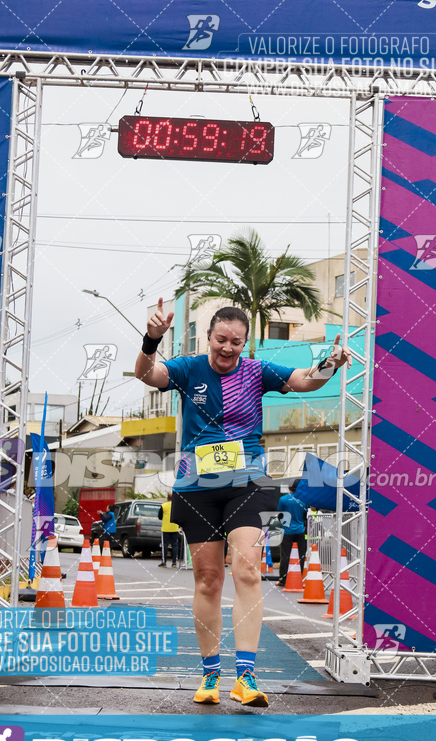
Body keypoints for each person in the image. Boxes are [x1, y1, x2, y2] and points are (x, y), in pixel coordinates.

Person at [135, 299, 351, 708]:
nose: (227, 348)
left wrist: (331, 362)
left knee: (248, 567)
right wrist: (152, 339)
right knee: (208, 579)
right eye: (221, 340)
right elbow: (147, 374)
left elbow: (306, 380)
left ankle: (246, 677)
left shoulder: (257, 371)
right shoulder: (187, 367)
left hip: (249, 482)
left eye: (236, 341)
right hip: (197, 486)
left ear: (245, 343)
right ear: (208, 338)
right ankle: (210, 674)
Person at [277, 481, 308, 586]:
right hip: (300, 530)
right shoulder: (304, 499)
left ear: (289, 487)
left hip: (287, 530)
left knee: (285, 555)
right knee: (301, 555)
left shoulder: (283, 499)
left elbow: (280, 515)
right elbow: (305, 515)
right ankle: (301, 578)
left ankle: (283, 579)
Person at [158, 493, 181, 567]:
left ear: (167, 498)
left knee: (165, 545)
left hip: (165, 528)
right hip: (175, 528)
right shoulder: (177, 506)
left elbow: (160, 516)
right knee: (175, 545)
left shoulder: (163, 506)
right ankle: (174, 563)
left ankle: (164, 562)